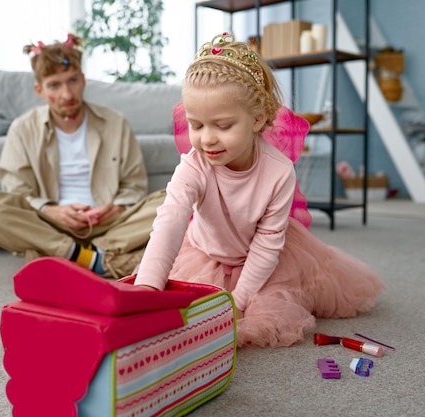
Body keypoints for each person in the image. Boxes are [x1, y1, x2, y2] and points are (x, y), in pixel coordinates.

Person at [134, 32, 384, 348]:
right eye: (196, 125)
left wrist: (236, 302)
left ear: (258, 119)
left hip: (266, 258)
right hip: (206, 251)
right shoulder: (194, 165)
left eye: (222, 126)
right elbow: (170, 221)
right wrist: (148, 289)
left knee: (265, 312)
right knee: (182, 309)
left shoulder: (278, 171)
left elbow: (267, 246)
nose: (207, 138)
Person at [0, 33, 165, 278]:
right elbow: (17, 192)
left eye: (72, 80)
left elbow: (134, 183)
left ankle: (78, 256)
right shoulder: (22, 129)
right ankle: (89, 257)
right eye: (54, 85)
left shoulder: (115, 123)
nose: (67, 93)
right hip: (50, 225)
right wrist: (49, 210)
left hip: (110, 225)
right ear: (39, 90)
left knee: (176, 198)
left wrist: (118, 206)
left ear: (83, 80)